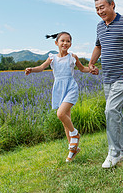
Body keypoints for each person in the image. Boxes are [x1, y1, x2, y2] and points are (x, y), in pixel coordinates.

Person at [89, 0, 123, 169]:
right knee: (115, 112)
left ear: (112, 5)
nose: (99, 11)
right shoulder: (99, 26)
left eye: (102, 7)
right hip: (108, 77)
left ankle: (114, 152)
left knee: (110, 110)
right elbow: (99, 46)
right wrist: (91, 63)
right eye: (96, 8)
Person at [25, 31, 93, 162]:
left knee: (60, 114)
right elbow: (41, 67)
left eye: (68, 41)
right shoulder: (52, 58)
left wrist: (91, 69)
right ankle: (72, 150)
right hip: (59, 90)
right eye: (62, 41)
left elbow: (82, 69)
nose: (65, 43)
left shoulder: (73, 57)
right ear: (56, 43)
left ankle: (75, 134)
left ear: (71, 44)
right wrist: (31, 69)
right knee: (65, 121)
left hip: (71, 88)